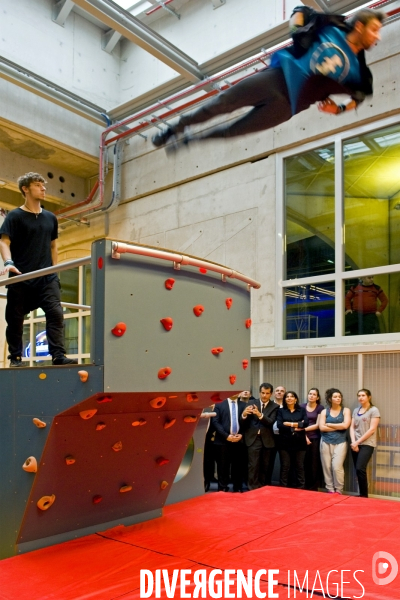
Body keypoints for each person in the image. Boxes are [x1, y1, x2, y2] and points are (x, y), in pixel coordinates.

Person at [152, 8, 384, 150]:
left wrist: (340, 110)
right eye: (374, 30)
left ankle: (190, 142)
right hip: (275, 79)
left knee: (235, 131)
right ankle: (176, 129)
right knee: (221, 104)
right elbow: (300, 13)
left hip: (288, 106)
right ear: (360, 26)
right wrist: (298, 34)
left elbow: (360, 96)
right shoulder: (331, 26)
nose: (378, 37)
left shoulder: (359, 71)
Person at [0, 172, 78, 367]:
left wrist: (54, 271)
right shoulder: (15, 216)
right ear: (25, 189)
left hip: (46, 277)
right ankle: (16, 357)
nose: (43, 189)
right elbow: (4, 242)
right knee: (15, 319)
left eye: (44, 185)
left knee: (55, 313)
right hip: (20, 276)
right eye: (37, 185)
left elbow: (53, 247)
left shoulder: (50, 217)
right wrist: (8, 262)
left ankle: (58, 356)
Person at [241, 383, 279, 490]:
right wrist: (244, 414)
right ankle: (252, 488)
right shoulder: (251, 402)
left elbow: (270, 421)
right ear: (259, 392)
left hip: (267, 439)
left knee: (265, 465)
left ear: (271, 394)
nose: (264, 395)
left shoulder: (275, 406)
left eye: (267, 393)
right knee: (253, 465)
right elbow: (243, 423)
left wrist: (259, 414)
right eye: (262, 393)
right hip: (253, 438)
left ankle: (262, 487)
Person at [212, 391, 250, 492]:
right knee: (222, 466)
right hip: (222, 441)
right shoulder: (219, 404)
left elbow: (247, 423)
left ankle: (237, 487)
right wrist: (226, 436)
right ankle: (222, 488)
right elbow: (215, 422)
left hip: (238, 440)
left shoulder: (244, 405)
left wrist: (241, 434)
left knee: (237, 466)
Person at [319, 388, 351, 494]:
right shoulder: (324, 411)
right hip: (325, 441)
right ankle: (330, 489)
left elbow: (345, 425)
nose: (338, 398)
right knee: (327, 467)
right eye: (335, 397)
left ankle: (339, 490)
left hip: (340, 442)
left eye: (339, 396)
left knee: (336, 467)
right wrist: (338, 426)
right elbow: (321, 428)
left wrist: (329, 424)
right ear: (330, 399)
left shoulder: (345, 410)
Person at [350, 388, 380, 497]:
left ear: (369, 397)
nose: (360, 397)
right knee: (358, 471)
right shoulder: (355, 410)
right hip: (355, 444)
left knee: (360, 468)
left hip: (367, 444)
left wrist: (357, 442)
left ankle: (364, 495)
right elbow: (352, 427)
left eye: (363, 395)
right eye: (359, 395)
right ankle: (361, 494)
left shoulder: (374, 410)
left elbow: (372, 429)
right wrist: (354, 442)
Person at [277, 391, 309, 488]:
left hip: (300, 443)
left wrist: (289, 424)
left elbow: (306, 423)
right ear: (284, 399)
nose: (289, 398)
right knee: (285, 467)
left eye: (292, 396)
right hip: (284, 443)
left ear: (295, 399)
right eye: (287, 397)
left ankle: (301, 488)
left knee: (299, 466)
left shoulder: (302, 410)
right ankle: (283, 488)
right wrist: (297, 426)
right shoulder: (281, 411)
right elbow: (279, 425)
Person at [302, 388, 324, 491]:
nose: (311, 396)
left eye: (314, 394)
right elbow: (299, 421)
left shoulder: (320, 408)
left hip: (315, 438)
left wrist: (303, 429)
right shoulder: (301, 406)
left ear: (317, 397)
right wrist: (303, 434)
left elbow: (317, 425)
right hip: (301, 438)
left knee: (314, 463)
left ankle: (313, 487)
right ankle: (304, 486)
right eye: (310, 394)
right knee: (302, 463)